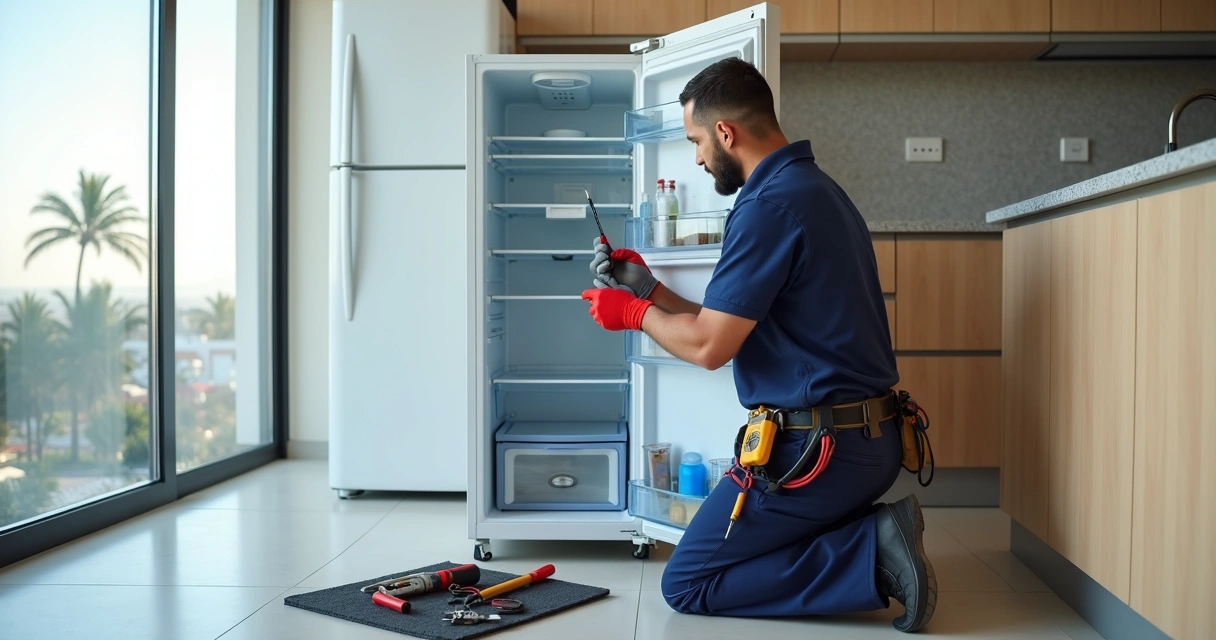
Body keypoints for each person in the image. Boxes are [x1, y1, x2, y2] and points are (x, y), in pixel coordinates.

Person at [580, 57, 937, 633]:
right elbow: (728, 323)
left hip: (818, 453)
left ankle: (873, 552)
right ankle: (869, 537)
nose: (697, 157)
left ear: (726, 133)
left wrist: (633, 314)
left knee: (688, 582)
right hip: (869, 442)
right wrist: (646, 288)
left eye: (697, 140)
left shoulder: (767, 206)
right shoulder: (814, 190)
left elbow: (709, 348)